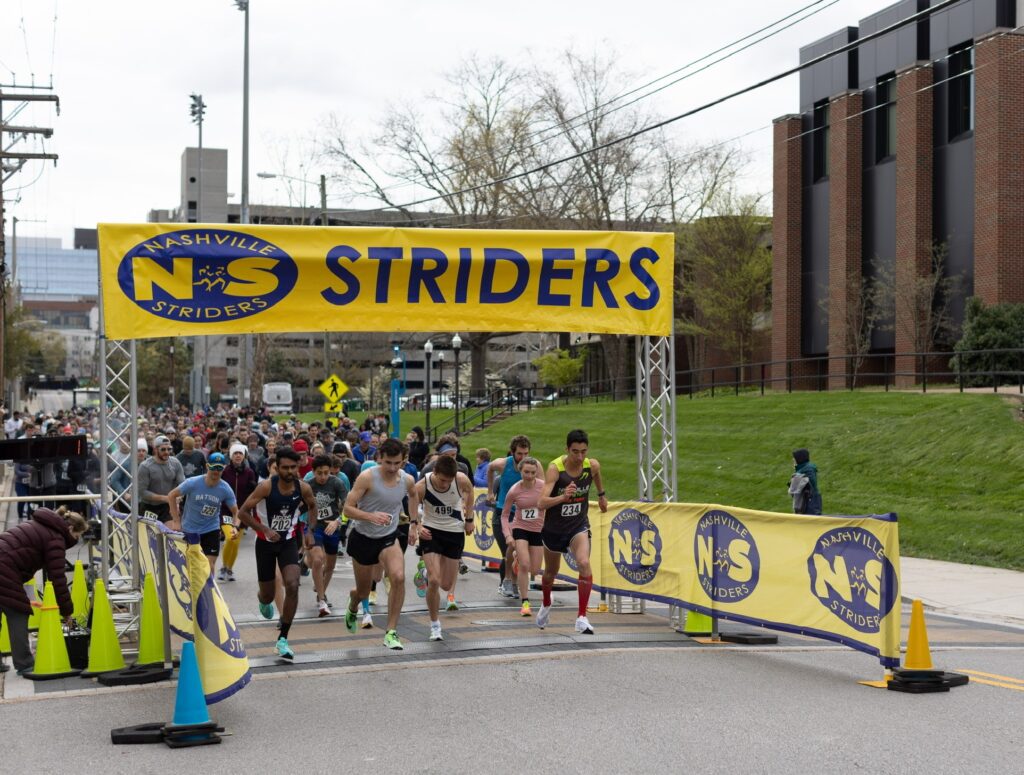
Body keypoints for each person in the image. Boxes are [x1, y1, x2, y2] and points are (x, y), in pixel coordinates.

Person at [236, 447, 318, 659]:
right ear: (277, 468)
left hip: (288, 542)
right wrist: (264, 529)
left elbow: (312, 507)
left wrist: (309, 531)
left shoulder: (303, 488)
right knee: (268, 594)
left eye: (293, 467)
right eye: (285, 467)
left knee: (292, 584)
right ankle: (263, 600)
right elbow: (243, 512)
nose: (289, 471)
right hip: (264, 544)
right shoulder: (265, 487)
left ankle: (283, 638)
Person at [342, 438, 419, 650]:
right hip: (363, 538)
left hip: (388, 536)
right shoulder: (367, 478)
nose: (393, 468)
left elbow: (414, 496)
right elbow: (347, 509)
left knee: (399, 577)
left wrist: (413, 523)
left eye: (397, 463)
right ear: (379, 459)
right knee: (363, 591)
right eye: (388, 463)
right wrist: (370, 516)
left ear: (403, 461)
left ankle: (391, 631)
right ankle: (353, 602)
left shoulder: (407, 479)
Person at [0, 507, 88, 676]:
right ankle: (24, 663)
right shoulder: (55, 538)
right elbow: (58, 580)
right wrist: (67, 612)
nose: (76, 541)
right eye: (77, 537)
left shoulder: (42, 524)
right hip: (5, 568)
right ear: (70, 529)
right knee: (18, 612)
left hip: (4, 562)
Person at [537, 429, 608, 635]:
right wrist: (562, 498)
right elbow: (541, 503)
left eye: (583, 451)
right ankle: (546, 602)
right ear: (566, 449)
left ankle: (581, 617)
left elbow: (596, 475)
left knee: (584, 563)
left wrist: (601, 495)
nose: (579, 457)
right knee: (550, 573)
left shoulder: (591, 465)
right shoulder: (555, 469)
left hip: (578, 525)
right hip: (554, 528)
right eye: (575, 452)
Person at [414, 455, 474, 641]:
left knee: (446, 584)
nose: (444, 484)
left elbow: (470, 493)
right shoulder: (422, 486)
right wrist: (417, 526)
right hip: (431, 531)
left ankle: (424, 573)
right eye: (441, 480)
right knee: (434, 580)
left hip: (454, 533)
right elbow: (411, 505)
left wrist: (470, 519)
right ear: (435, 473)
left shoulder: (461, 480)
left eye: (448, 481)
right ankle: (435, 626)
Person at [166, 453, 239, 574]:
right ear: (207, 466)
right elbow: (171, 495)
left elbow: (236, 512)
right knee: (191, 566)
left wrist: (235, 527)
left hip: (211, 529)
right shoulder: (193, 483)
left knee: (209, 566)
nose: (216, 471)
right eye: (213, 467)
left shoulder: (225, 489)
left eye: (219, 468)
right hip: (190, 529)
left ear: (224, 468)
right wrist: (176, 520)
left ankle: (208, 592)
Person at [304, 453, 350, 617]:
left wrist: (337, 521)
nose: (323, 476)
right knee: (317, 560)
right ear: (313, 472)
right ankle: (322, 600)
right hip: (314, 526)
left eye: (326, 472)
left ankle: (321, 590)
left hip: (332, 527)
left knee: (329, 566)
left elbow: (348, 507)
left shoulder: (337, 483)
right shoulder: (307, 486)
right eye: (319, 473)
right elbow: (300, 509)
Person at [486, 435, 532, 598]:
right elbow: (489, 468)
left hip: (522, 515)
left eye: (526, 453)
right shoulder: (503, 464)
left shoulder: (532, 466)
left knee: (518, 552)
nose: (523, 458)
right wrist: (490, 491)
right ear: (512, 453)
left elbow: (542, 484)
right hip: (502, 513)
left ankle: (512, 583)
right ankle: (507, 582)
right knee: (509, 549)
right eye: (520, 454)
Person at [501, 456, 545, 617]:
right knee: (525, 565)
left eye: (533, 472)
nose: (530, 476)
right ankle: (525, 602)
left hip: (538, 529)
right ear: (520, 471)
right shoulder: (514, 490)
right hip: (520, 528)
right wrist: (508, 535)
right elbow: (504, 516)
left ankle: (517, 558)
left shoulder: (543, 487)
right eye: (526, 472)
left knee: (535, 570)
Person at [217, 444, 258, 581]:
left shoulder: (249, 472)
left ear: (244, 455)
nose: (238, 456)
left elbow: (253, 494)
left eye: (240, 453)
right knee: (230, 538)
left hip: (242, 512)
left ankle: (230, 569)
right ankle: (223, 567)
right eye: (235, 453)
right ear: (231, 456)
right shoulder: (225, 471)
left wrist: (251, 511)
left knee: (236, 542)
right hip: (226, 511)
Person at [137, 434, 185, 522]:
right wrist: (165, 498)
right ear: (155, 449)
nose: (167, 452)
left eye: (169, 449)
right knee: (150, 535)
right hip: (149, 507)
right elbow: (142, 492)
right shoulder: (145, 466)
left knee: (170, 532)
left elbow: (183, 484)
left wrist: (179, 497)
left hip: (169, 506)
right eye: (163, 449)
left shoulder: (175, 463)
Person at [789, 448, 823, 515]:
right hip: (811, 502)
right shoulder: (805, 469)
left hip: (808, 504)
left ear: (799, 459)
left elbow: (793, 490)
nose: (793, 460)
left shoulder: (806, 470)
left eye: (794, 458)